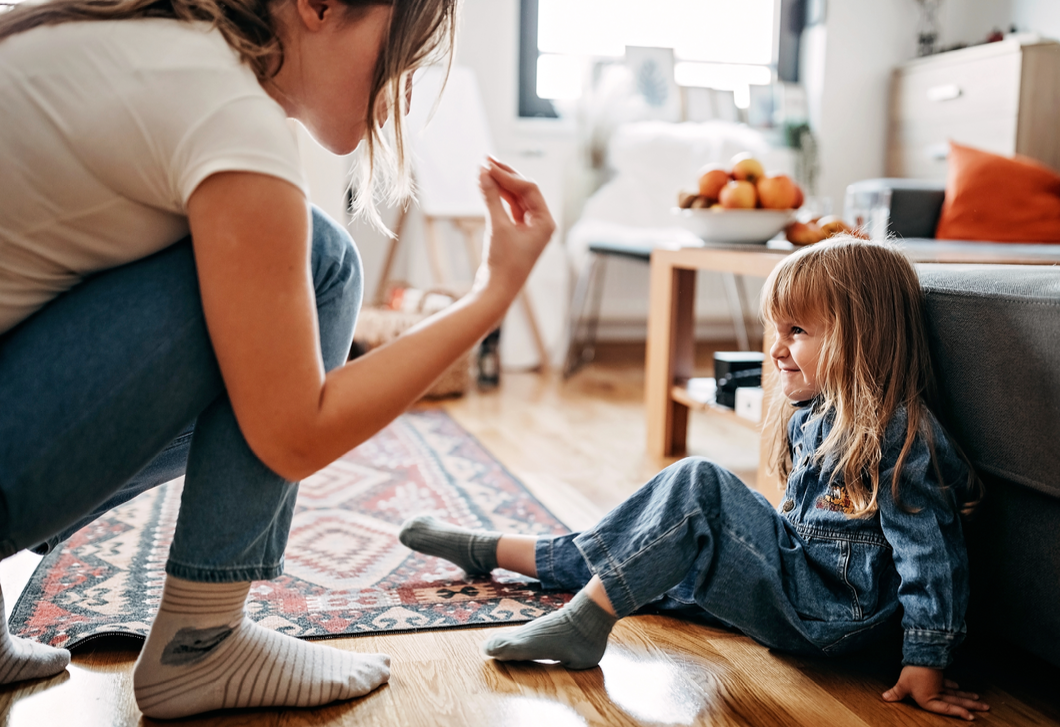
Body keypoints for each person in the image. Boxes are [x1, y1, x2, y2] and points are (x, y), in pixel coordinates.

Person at [0, 0, 555, 719]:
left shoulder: (154, 47)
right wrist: (491, 294)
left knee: (268, 281)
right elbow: (294, 432)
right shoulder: (225, 108)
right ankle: (201, 643)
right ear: (319, 6)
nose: (405, 91)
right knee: (321, 262)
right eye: (401, 58)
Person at [400, 238, 994, 722]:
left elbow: (933, 555)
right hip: (801, 585)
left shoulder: (898, 433)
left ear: (860, 337)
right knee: (648, 546)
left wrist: (926, 658)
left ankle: (585, 624)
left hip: (833, 615)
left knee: (698, 485)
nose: (777, 349)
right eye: (776, 330)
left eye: (797, 333)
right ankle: (496, 550)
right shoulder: (815, 413)